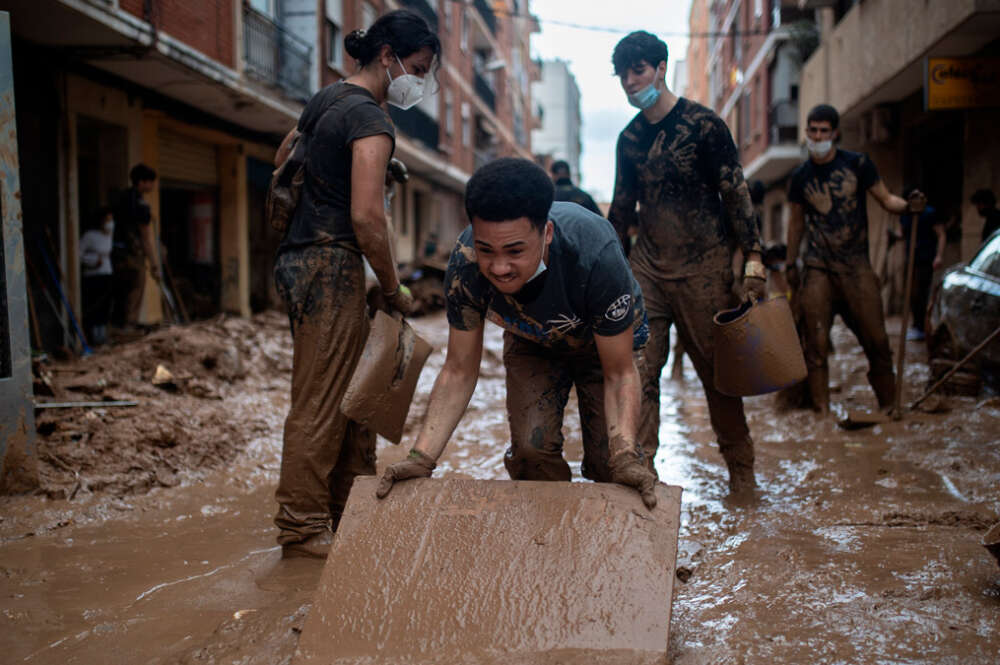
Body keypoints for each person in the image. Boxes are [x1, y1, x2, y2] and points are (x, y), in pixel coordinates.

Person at [376, 158, 658, 509]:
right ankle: (547, 541)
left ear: (547, 234)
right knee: (530, 450)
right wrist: (420, 457)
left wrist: (626, 457)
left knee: (614, 465)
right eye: (486, 250)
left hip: (606, 347)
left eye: (515, 251)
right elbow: (459, 369)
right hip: (533, 342)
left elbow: (619, 372)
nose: (499, 267)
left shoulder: (596, 254)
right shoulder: (465, 266)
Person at [271, 10, 439, 559]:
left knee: (347, 394)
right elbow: (368, 218)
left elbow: (284, 160)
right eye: (416, 68)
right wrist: (393, 288)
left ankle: (345, 510)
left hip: (300, 257)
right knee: (322, 398)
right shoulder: (370, 118)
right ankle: (300, 525)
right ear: (387, 56)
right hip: (331, 261)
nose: (419, 82)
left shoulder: (325, 100)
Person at [607, 31, 764, 495]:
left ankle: (742, 475)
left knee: (720, 377)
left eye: (638, 70)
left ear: (660, 68)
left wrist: (753, 256)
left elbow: (735, 191)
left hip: (706, 270)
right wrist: (608, 271)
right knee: (639, 371)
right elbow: (621, 210)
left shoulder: (704, 126)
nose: (631, 82)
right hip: (648, 272)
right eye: (623, 75)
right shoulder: (629, 139)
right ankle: (641, 476)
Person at [786, 104, 925, 415]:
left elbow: (887, 199)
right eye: (813, 130)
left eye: (823, 131)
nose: (817, 136)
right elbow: (795, 224)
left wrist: (908, 207)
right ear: (807, 132)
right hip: (817, 267)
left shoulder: (859, 164)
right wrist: (790, 263)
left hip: (856, 266)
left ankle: (889, 406)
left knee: (877, 340)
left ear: (835, 133)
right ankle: (822, 413)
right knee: (816, 347)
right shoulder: (799, 177)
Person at [112, 163, 161, 329]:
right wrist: (155, 263)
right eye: (151, 182)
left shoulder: (120, 198)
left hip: (116, 253)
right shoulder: (140, 205)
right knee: (135, 291)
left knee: (120, 292)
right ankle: (128, 329)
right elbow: (146, 237)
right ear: (141, 182)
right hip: (133, 255)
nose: (153, 186)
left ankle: (118, 328)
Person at [895, 187, 945, 341]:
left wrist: (939, 256)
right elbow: (902, 234)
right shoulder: (905, 215)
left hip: (926, 258)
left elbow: (941, 234)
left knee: (920, 294)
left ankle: (923, 327)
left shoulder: (929, 213)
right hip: (911, 259)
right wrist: (892, 235)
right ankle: (916, 325)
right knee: (911, 293)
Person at [80, 207, 115, 346]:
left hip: (106, 273)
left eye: (111, 220)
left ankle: (103, 334)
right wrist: (93, 262)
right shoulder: (89, 236)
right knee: (95, 304)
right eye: (108, 220)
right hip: (93, 275)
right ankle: (95, 336)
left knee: (105, 305)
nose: (110, 223)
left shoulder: (109, 235)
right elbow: (78, 253)